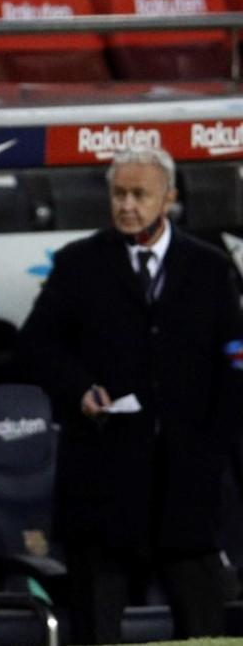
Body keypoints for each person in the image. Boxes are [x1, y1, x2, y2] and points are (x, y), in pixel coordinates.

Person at [19, 147, 243, 644]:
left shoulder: (209, 269)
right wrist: (79, 390)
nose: (126, 205)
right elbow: (37, 343)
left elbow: (234, 362)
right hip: (104, 485)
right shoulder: (80, 264)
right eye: (118, 194)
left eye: (139, 194)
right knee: (97, 627)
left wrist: (209, 448)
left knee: (203, 628)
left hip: (185, 488)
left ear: (169, 199)